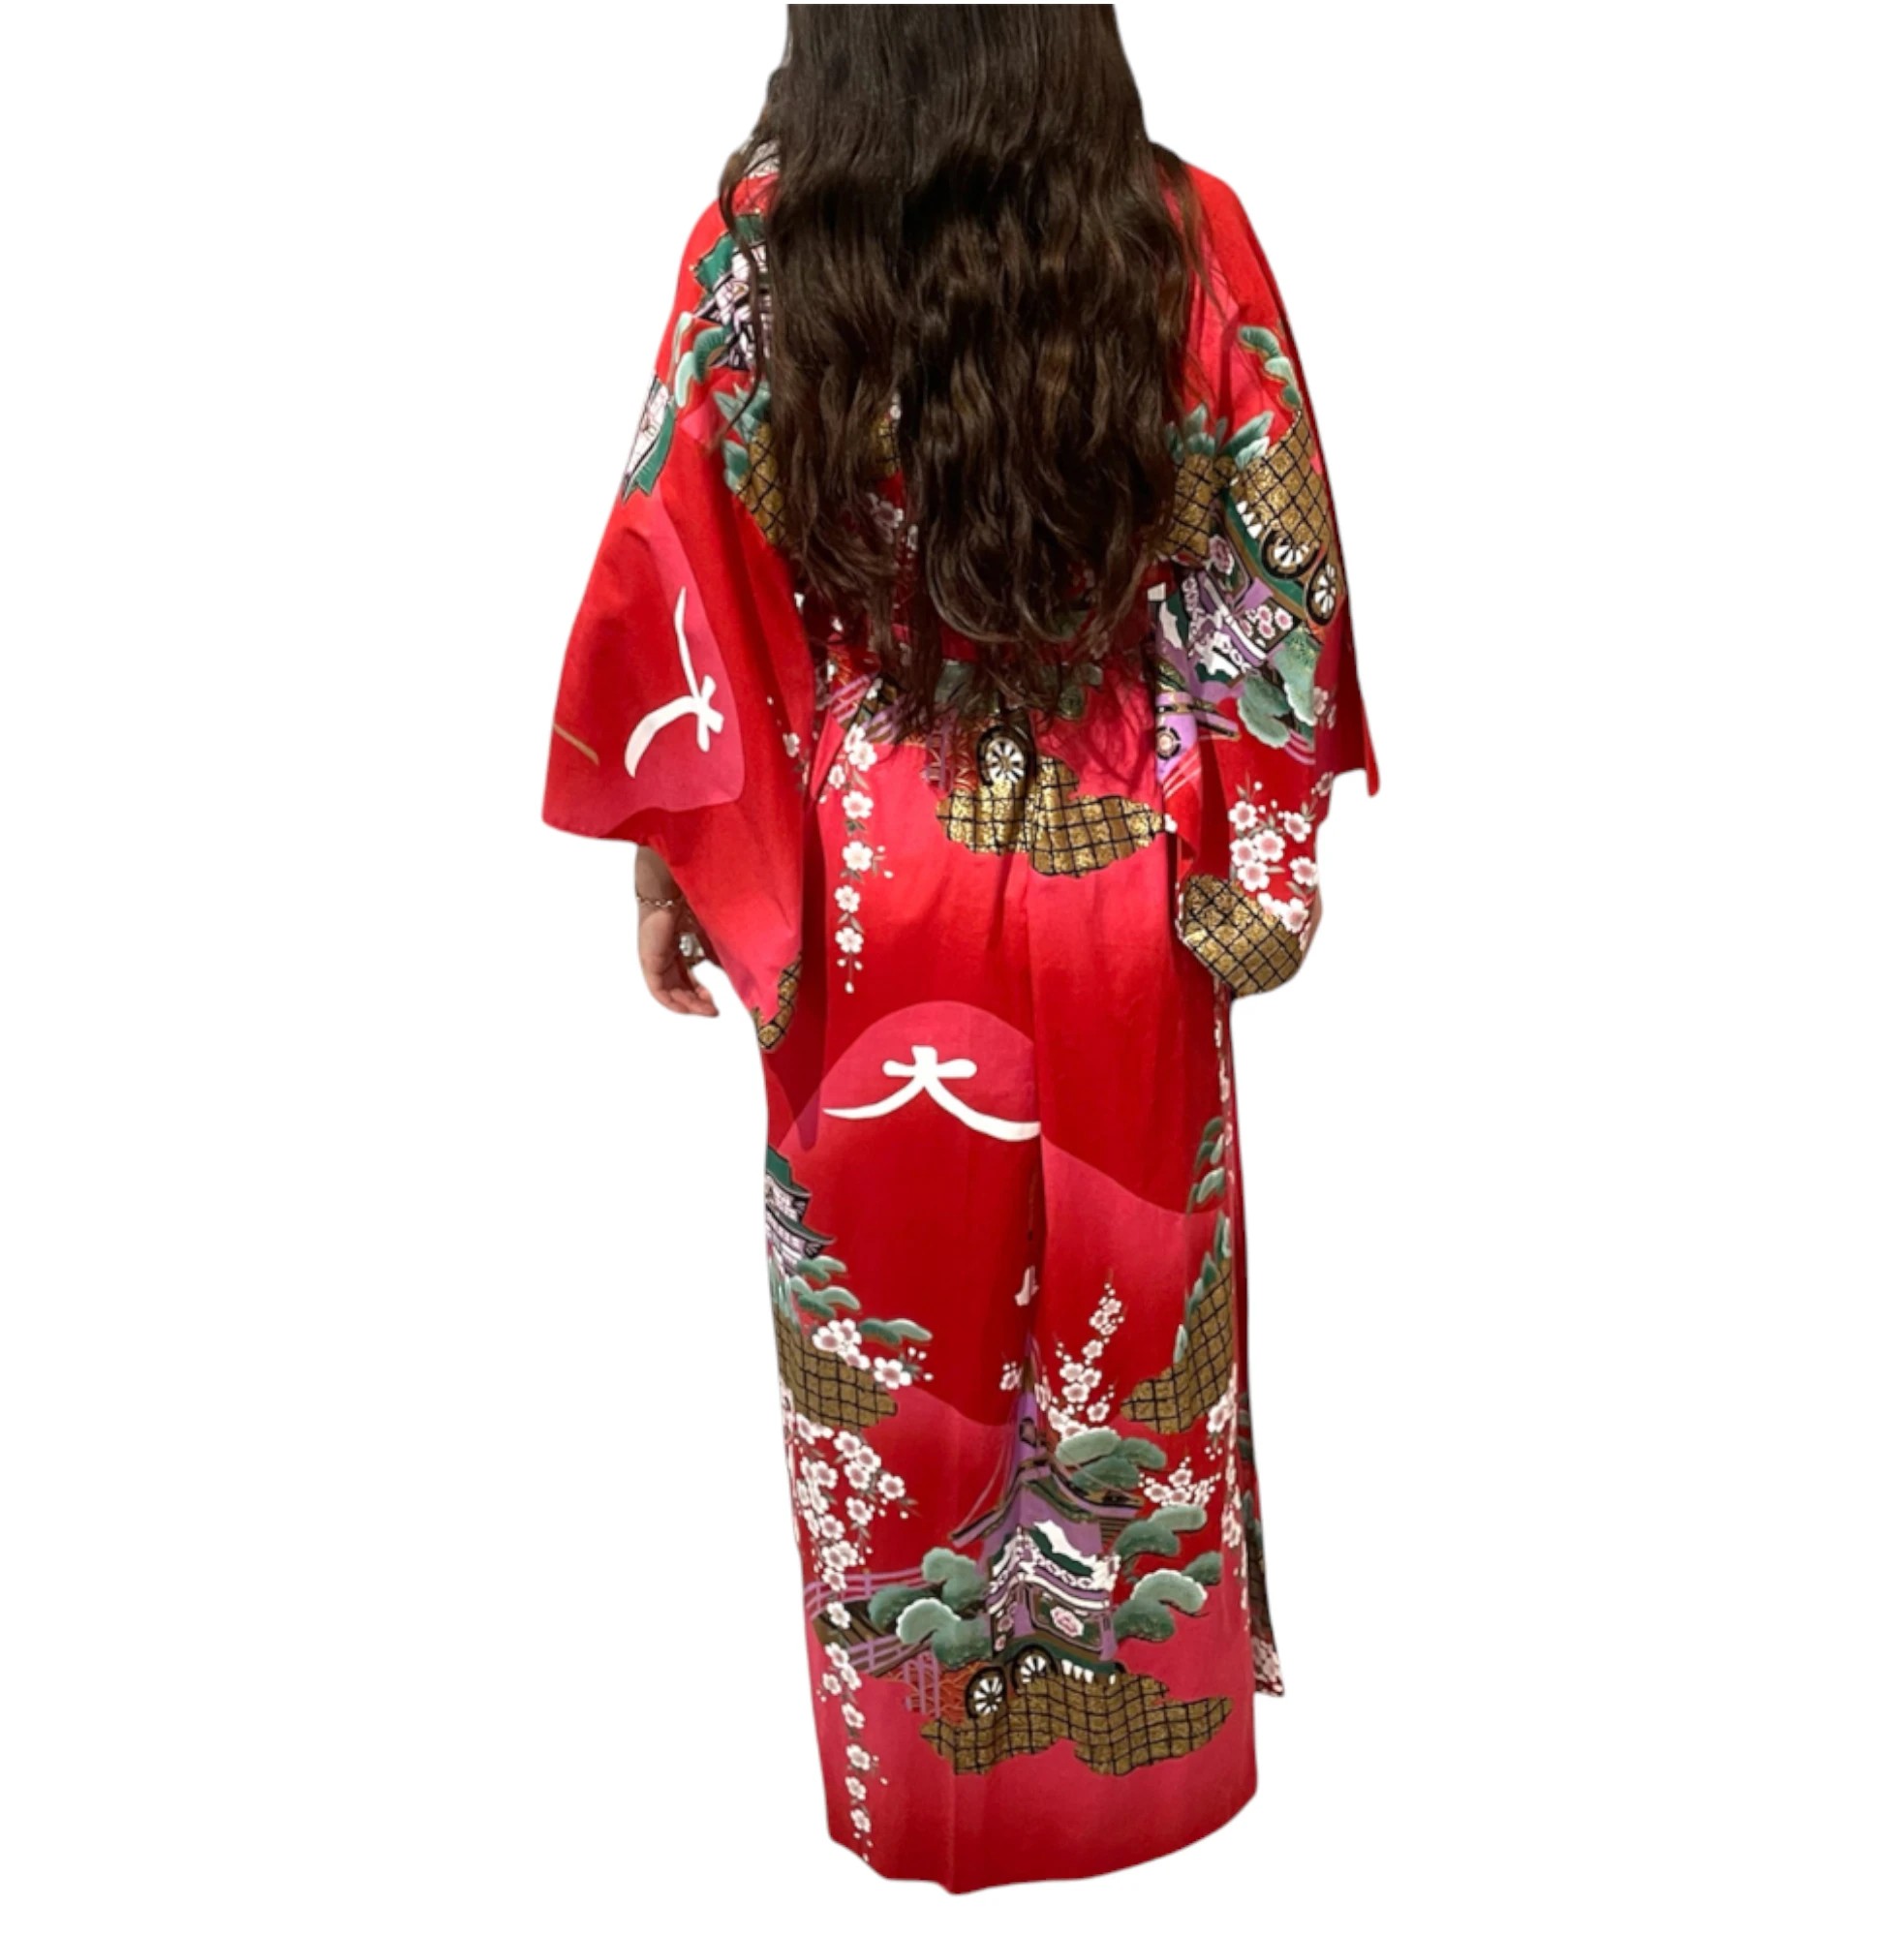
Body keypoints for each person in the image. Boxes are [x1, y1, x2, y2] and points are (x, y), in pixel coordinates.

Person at [541, 4, 1377, 1891]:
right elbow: (1272, 574)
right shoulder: (1181, 231)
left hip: (865, 885)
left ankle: (926, 1776)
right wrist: (1252, 862)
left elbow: (684, 566)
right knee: (1129, 1314)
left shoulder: (761, 246)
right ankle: (1137, 1769)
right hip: (1119, 873)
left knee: (888, 1341)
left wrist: (681, 861)